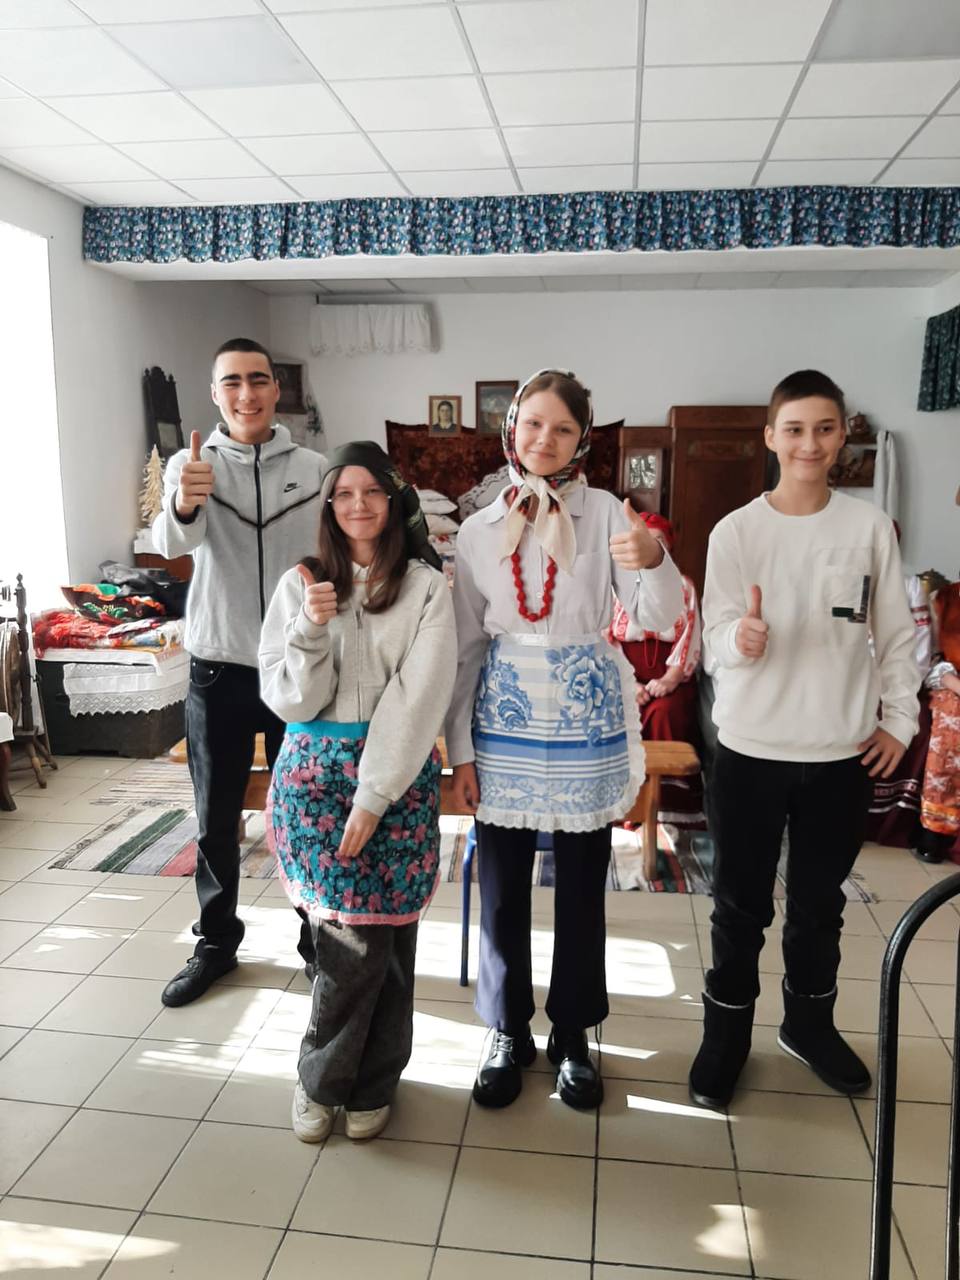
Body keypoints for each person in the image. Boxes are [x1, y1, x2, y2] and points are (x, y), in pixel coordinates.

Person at [446, 369, 684, 1110]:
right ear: (511, 427)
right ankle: (507, 1030)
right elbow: (464, 646)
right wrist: (460, 750)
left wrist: (655, 560)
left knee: (584, 886)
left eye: (562, 429)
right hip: (505, 722)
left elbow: (658, 616)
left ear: (583, 440)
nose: (543, 440)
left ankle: (574, 1033)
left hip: (584, 720)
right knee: (501, 886)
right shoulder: (479, 528)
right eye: (533, 424)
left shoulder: (610, 512)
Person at [690, 369, 919, 1110]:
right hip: (750, 752)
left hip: (838, 756)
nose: (809, 444)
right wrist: (740, 638)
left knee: (820, 907)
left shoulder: (868, 528)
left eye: (824, 429)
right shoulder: (737, 532)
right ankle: (726, 1036)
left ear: (842, 434)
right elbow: (713, 637)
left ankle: (808, 1026)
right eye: (794, 430)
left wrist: (901, 721)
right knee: (739, 908)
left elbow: (897, 635)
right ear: (771, 437)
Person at [259, 442, 456, 1143]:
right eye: (343, 493)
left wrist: (375, 793)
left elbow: (418, 696)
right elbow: (290, 699)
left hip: (395, 777)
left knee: (391, 938)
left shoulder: (426, 587)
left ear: (394, 501)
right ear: (328, 506)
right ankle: (322, 1080)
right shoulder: (301, 584)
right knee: (343, 941)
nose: (358, 505)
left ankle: (374, 1081)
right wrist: (311, 630)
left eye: (372, 491)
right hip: (314, 778)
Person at [152, 338, 325, 1007]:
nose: (246, 394)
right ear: (215, 393)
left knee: (304, 814)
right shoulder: (190, 465)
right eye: (232, 382)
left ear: (276, 389)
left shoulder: (313, 469)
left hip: (296, 668)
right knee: (215, 817)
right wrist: (185, 502)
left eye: (258, 380)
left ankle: (317, 941)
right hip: (217, 669)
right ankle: (216, 943)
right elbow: (174, 543)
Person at [914, 580, 960, 863]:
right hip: (951, 684)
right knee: (951, 721)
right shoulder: (942, 600)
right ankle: (936, 831)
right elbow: (931, 657)